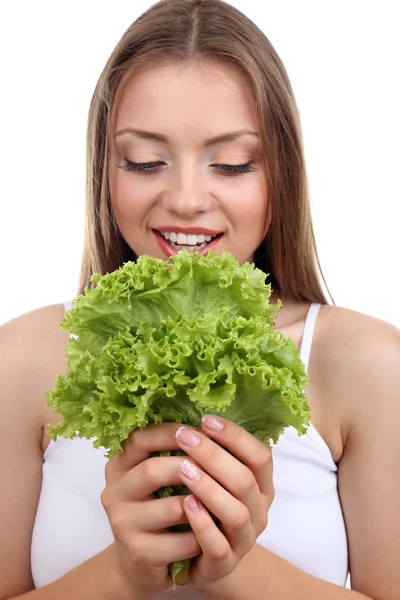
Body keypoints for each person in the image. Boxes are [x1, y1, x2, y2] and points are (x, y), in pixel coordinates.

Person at [0, 0, 399, 598]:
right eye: (145, 160)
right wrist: (122, 573)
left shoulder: (365, 364)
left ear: (280, 173)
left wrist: (236, 564)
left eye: (233, 164)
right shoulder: (21, 361)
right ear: (104, 170)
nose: (186, 199)